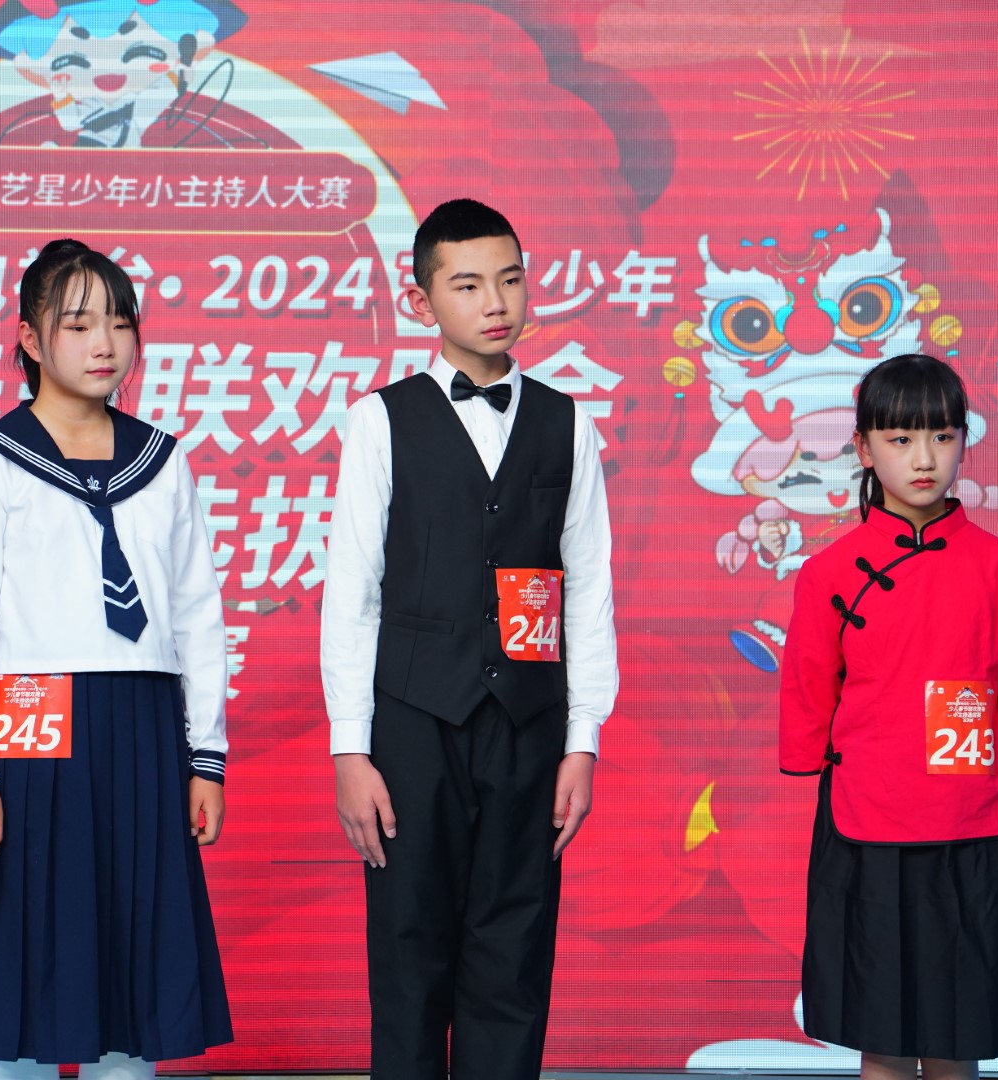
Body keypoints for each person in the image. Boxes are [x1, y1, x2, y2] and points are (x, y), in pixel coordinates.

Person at [322, 198, 620, 1080]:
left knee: (514, 954)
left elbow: (589, 590)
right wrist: (350, 749)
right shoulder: (380, 420)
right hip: (413, 723)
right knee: (409, 953)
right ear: (422, 302)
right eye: (467, 285)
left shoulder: (569, 423)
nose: (496, 302)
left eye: (510, 280)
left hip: (529, 725)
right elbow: (352, 594)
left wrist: (582, 741)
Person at [0, 239, 232, 1080]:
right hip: (32, 727)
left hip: (142, 731)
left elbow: (198, 614)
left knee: (133, 968)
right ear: (29, 339)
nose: (105, 343)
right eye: (78, 324)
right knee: (25, 961)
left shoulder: (162, 460)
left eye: (120, 322)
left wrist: (205, 756)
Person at [779, 353, 998, 1080]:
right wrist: (803, 755)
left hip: (976, 822)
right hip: (868, 820)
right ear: (864, 448)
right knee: (882, 1036)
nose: (925, 458)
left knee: (959, 1035)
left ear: (964, 440)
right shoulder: (829, 571)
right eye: (900, 439)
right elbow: (809, 682)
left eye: (942, 436)